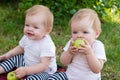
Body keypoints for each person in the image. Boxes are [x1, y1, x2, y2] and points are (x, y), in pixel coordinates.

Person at [0, 5, 57, 80]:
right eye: (27, 25)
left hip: (43, 71)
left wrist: (26, 71)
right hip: (27, 62)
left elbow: (44, 65)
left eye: (35, 27)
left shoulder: (47, 45)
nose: (29, 29)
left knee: (36, 78)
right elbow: (21, 48)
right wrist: (9, 54)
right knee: (14, 58)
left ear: (47, 31)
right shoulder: (27, 37)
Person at [47, 8, 107, 80]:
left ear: (96, 33)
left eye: (85, 32)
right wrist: (69, 52)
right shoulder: (72, 42)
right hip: (69, 77)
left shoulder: (97, 46)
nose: (79, 36)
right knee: (52, 78)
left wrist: (89, 53)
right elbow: (64, 62)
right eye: (75, 32)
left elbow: (97, 69)